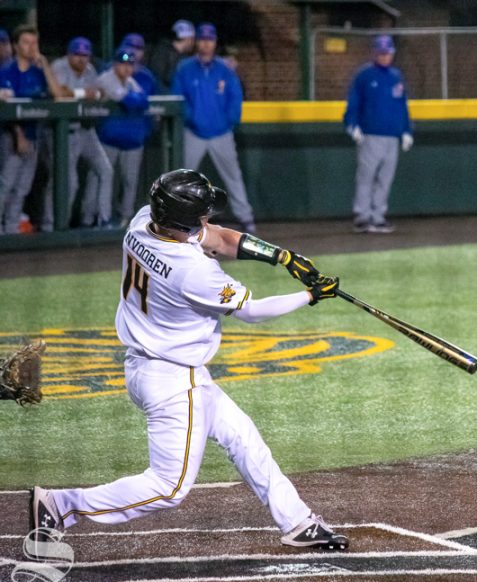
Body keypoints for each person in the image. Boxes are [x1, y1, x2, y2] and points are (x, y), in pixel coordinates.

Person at [30, 168, 349, 552]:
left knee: (244, 439)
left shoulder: (143, 222)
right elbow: (252, 311)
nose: (207, 220)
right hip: (174, 383)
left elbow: (215, 238)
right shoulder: (192, 272)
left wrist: (281, 256)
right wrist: (310, 296)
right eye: (201, 215)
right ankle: (61, 506)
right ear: (183, 222)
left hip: (153, 367)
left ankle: (297, 522)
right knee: (169, 488)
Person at [171, 23, 256, 232]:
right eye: (202, 39)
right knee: (185, 179)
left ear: (215, 43)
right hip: (193, 132)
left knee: (233, 176)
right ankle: (180, 218)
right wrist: (191, 119)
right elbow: (178, 98)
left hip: (221, 133)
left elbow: (235, 97)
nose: (206, 44)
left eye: (210, 40)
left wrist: (228, 121)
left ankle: (245, 218)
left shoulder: (225, 69)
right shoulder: (185, 68)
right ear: (197, 42)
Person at [343, 35, 413, 234]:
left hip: (392, 136)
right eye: (382, 53)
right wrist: (352, 125)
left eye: (388, 53)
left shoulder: (396, 75)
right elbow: (354, 102)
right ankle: (362, 217)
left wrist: (407, 130)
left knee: (385, 179)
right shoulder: (364, 75)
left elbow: (402, 106)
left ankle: (378, 217)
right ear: (375, 53)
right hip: (370, 134)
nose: (385, 56)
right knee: (366, 177)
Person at [0, 25, 64, 235]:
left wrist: (45, 64)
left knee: (22, 188)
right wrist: (18, 136)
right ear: (16, 46)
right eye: (26, 42)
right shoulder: (6, 70)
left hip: (34, 135)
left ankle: (10, 230)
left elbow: (58, 96)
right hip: (11, 135)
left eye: (34, 42)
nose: (31, 47)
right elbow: (7, 108)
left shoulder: (38, 72)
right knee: (5, 185)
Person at [47, 36, 114, 230]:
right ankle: (54, 226)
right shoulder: (59, 67)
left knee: (105, 170)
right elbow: (60, 93)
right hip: (61, 133)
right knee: (67, 182)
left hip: (85, 131)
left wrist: (95, 93)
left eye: (85, 55)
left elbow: (100, 92)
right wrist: (84, 94)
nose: (81, 59)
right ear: (69, 55)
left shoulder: (90, 70)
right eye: (77, 54)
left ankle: (102, 220)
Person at [95, 47, 150, 226]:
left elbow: (144, 99)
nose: (126, 68)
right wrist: (135, 99)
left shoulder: (131, 81)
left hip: (130, 140)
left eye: (130, 64)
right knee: (101, 178)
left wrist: (135, 98)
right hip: (108, 139)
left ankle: (125, 218)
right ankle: (97, 219)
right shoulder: (106, 79)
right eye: (122, 64)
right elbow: (129, 100)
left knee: (129, 181)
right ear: (115, 64)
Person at [148, 19, 194, 94]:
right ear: (188, 39)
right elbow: (156, 79)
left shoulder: (186, 59)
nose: (193, 42)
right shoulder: (161, 52)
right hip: (164, 100)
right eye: (192, 38)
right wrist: (171, 97)